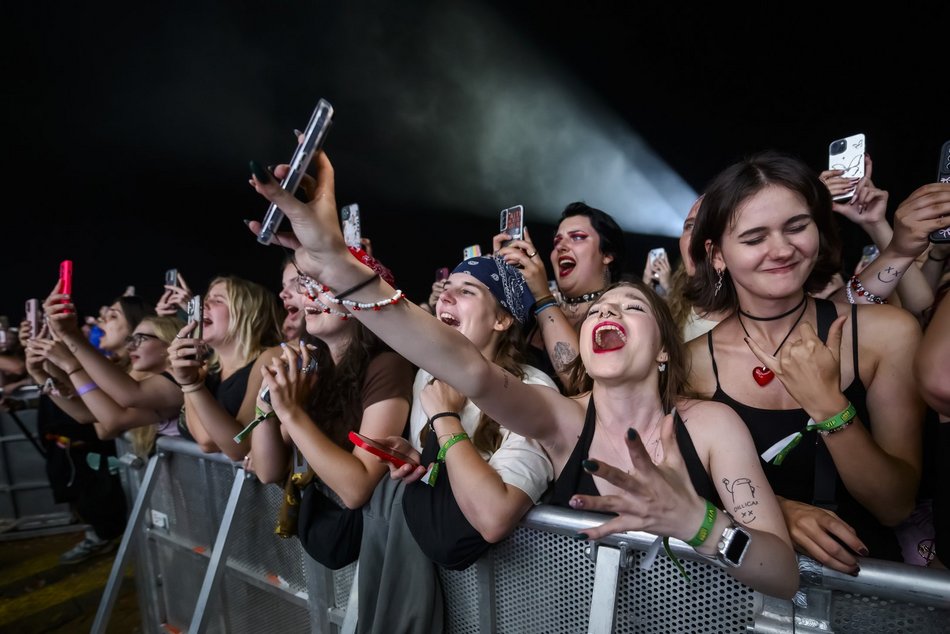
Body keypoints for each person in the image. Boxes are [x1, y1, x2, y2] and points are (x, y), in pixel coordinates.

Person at [246, 151, 799, 599]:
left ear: (662, 353)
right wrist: (339, 265)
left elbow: (783, 573)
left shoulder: (711, 426)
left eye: (632, 307)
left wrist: (698, 522)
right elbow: (467, 367)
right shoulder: (562, 420)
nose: (607, 312)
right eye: (600, 311)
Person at [685, 151, 926, 574]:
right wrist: (776, 509)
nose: (782, 250)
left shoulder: (887, 334)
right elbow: (682, 486)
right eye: (754, 238)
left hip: (868, 583)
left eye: (797, 227)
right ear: (717, 254)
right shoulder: (692, 364)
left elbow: (894, 505)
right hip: (740, 584)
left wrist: (828, 405)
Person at [493, 202, 625, 390]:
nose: (561, 246)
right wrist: (498, 284)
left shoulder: (621, 309)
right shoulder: (532, 316)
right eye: (557, 242)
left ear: (607, 254)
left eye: (577, 237)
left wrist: (542, 297)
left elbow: (582, 385)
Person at [28, 315, 184, 460]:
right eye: (130, 340)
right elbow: (86, 414)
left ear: (170, 342)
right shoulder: (150, 382)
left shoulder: (180, 380)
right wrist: (39, 372)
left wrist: (72, 364)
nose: (130, 347)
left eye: (140, 339)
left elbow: (114, 419)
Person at [166, 275, 283, 460]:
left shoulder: (267, 362)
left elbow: (233, 444)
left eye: (218, 300)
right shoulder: (206, 370)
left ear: (248, 313)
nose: (203, 304)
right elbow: (204, 438)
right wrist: (190, 380)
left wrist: (191, 385)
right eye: (206, 298)